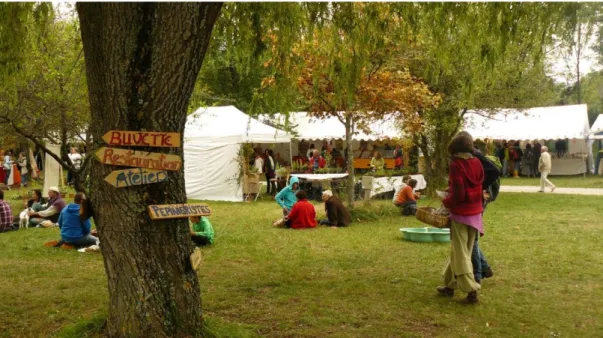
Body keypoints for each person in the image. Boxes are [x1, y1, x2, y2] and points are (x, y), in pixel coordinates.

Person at [437, 132, 484, 305]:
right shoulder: (477, 162)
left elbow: (459, 194)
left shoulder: (456, 165)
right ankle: (449, 286)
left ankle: (471, 290)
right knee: (460, 251)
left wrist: (445, 201)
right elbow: (475, 186)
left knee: (461, 253)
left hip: (462, 213)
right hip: (476, 212)